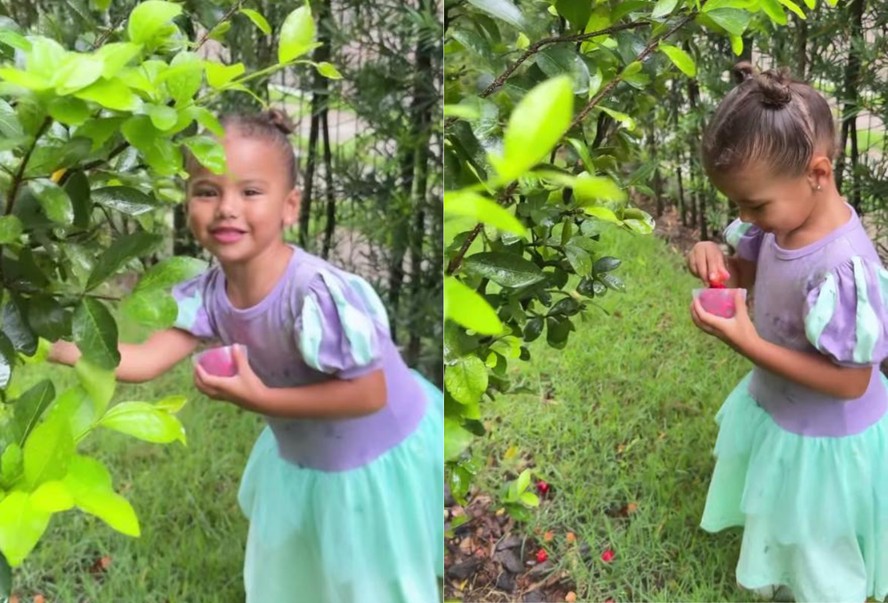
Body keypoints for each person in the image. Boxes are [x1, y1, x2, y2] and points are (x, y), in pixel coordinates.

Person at [50, 109, 443, 603]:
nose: (226, 208)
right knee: (313, 576)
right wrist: (54, 343)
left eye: (250, 192)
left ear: (290, 206)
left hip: (371, 458)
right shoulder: (210, 292)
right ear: (189, 202)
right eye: (207, 191)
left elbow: (368, 392)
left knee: (374, 580)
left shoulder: (314, 294)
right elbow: (145, 361)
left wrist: (263, 400)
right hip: (305, 456)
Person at [686, 62, 888, 602]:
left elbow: (852, 383)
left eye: (755, 204)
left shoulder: (842, 268)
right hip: (784, 410)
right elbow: (747, 270)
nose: (746, 216)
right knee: (788, 518)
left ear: (817, 174)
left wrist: (749, 343)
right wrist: (713, 261)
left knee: (822, 548)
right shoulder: (779, 224)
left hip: (828, 436)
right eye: (738, 205)